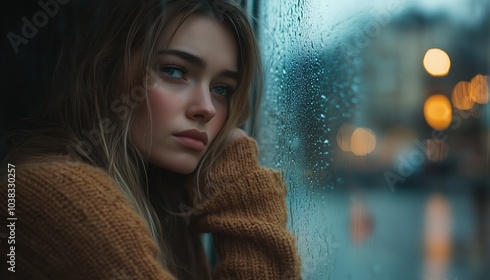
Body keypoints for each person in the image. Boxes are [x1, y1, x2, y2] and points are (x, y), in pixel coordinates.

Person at [0, 0, 301, 279]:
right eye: (174, 71)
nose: (207, 108)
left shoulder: (162, 199)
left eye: (221, 89)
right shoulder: (56, 193)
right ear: (109, 70)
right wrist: (243, 191)